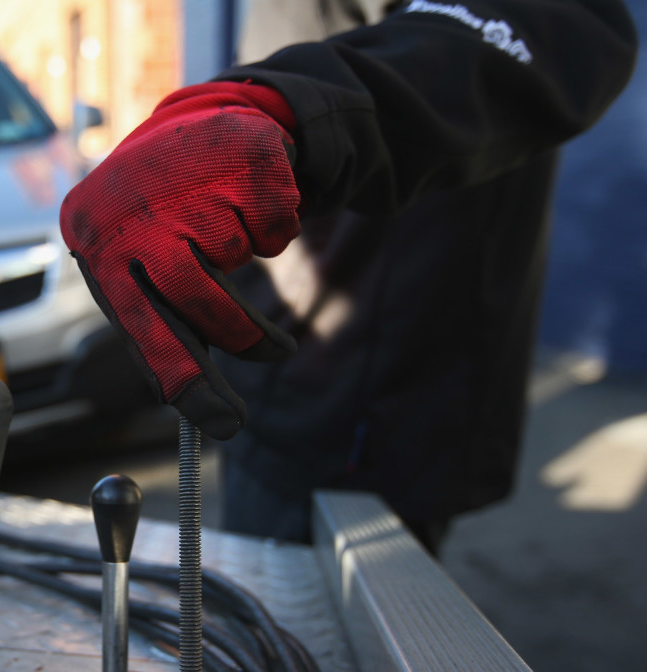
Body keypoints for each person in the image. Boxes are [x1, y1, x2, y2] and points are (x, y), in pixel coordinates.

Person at [59, 0, 638, 551]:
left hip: (382, 404)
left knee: (340, 638)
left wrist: (280, 109)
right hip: (268, 381)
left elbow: (528, 28)